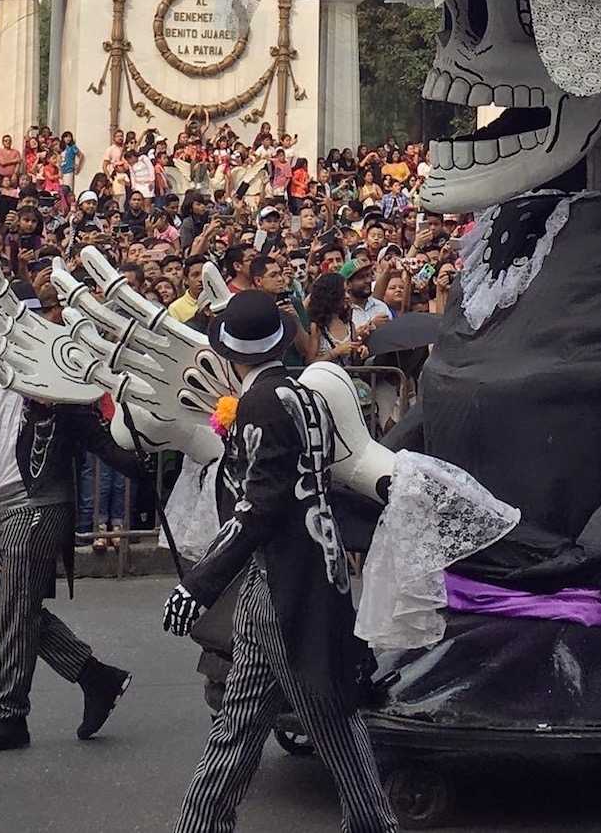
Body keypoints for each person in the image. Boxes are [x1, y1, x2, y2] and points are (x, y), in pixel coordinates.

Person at [162, 291, 398, 833]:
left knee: (323, 717)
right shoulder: (305, 393)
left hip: (283, 582)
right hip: (310, 571)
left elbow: (260, 506)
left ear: (229, 353)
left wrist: (198, 585)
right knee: (251, 718)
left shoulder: (261, 403)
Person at [0, 334, 149, 753]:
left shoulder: (57, 384)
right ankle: (96, 677)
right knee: (20, 609)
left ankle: (10, 714)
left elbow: (99, 439)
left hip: (40, 504)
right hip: (0, 507)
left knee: (16, 611)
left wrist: (146, 463)